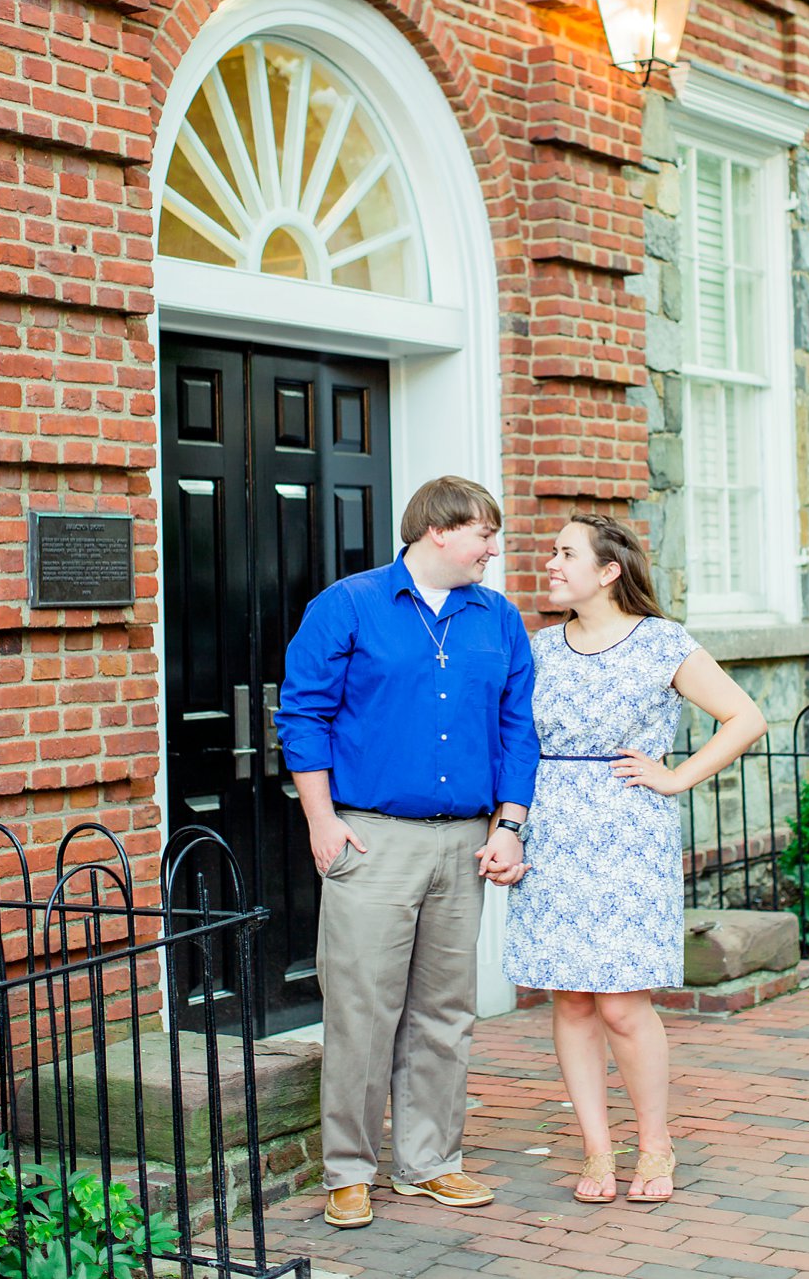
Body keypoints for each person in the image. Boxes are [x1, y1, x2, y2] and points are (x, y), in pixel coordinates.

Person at [275, 475, 539, 1231]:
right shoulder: (349, 605)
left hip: (466, 839)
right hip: (371, 836)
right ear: (437, 532)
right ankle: (349, 1170)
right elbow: (303, 714)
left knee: (444, 1010)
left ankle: (429, 1163)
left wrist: (509, 823)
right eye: (485, 533)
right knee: (362, 1008)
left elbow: (519, 727)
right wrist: (320, 820)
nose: (494, 547)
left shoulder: (499, 619)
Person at [503, 514, 764, 1205]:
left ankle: (654, 1142)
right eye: (554, 552)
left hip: (626, 829)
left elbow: (744, 716)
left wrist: (677, 776)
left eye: (566, 553)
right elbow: (516, 742)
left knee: (622, 1003)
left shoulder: (662, 642)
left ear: (608, 570)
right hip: (552, 830)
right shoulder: (540, 647)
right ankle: (595, 1147)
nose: (551, 563)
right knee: (572, 998)